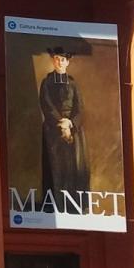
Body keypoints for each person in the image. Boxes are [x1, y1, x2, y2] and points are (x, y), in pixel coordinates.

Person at [39, 47, 90, 192]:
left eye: (63, 60)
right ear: (53, 61)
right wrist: (62, 124)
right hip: (53, 129)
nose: (60, 62)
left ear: (67, 62)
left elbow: (80, 108)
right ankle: (55, 203)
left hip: (73, 130)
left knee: (74, 166)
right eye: (57, 59)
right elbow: (46, 104)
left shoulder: (73, 84)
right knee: (55, 166)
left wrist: (70, 123)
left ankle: (74, 204)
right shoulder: (47, 82)